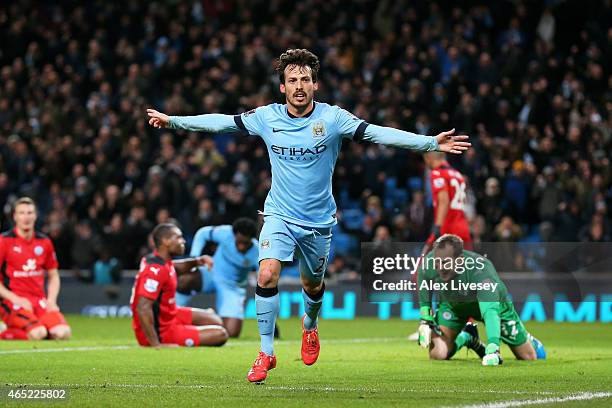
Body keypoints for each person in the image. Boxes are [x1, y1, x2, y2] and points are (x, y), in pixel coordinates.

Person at [147, 48, 471, 382]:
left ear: (315, 84)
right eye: (292, 80)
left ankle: (310, 326)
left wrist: (429, 142)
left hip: (318, 222)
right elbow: (221, 123)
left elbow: (378, 132)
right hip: (279, 214)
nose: (299, 85)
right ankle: (265, 353)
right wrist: (174, 120)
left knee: (312, 285)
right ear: (282, 88)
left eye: (305, 79)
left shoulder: (332, 119)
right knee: (266, 274)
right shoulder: (266, 117)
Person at [417, 234, 546, 365]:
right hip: (454, 307)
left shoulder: (481, 271)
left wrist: (492, 349)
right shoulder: (430, 263)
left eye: (445, 263)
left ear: (460, 260)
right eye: (437, 261)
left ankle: (527, 338)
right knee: (438, 353)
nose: (439, 267)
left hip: (494, 308)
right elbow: (423, 280)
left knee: (529, 356)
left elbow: (490, 312)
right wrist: (425, 318)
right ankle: (467, 337)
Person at [131, 223, 228, 348]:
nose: (183, 241)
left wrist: (198, 261)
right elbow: (142, 308)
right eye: (178, 237)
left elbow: (176, 267)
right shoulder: (155, 270)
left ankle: (185, 330)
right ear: (166, 241)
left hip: (170, 314)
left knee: (216, 320)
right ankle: (181, 333)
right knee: (221, 334)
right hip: (162, 330)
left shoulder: (161, 261)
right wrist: (155, 344)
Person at [0, 197, 71, 341]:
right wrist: (16, 299)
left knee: (63, 333)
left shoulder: (44, 242)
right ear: (15, 216)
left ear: (36, 215)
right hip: (13, 302)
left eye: (29, 213)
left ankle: (15, 329)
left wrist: (51, 300)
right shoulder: (4, 241)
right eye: (22, 213)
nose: (26, 217)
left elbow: (53, 275)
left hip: (39, 301)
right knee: (38, 333)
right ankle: (5, 333)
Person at [176, 218, 259, 338]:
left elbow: (263, 275)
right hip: (211, 272)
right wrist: (195, 258)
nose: (241, 247)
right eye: (239, 242)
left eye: (245, 243)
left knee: (231, 332)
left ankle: (208, 316)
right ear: (234, 235)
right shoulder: (226, 232)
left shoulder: (258, 251)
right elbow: (202, 233)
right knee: (185, 280)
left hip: (232, 287)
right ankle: (174, 313)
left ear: (252, 240)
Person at [423, 151, 473, 250]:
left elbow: (444, 201)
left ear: (429, 158)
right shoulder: (458, 175)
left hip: (447, 226)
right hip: (463, 227)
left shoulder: (437, 173)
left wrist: (437, 227)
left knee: (424, 262)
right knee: (467, 264)